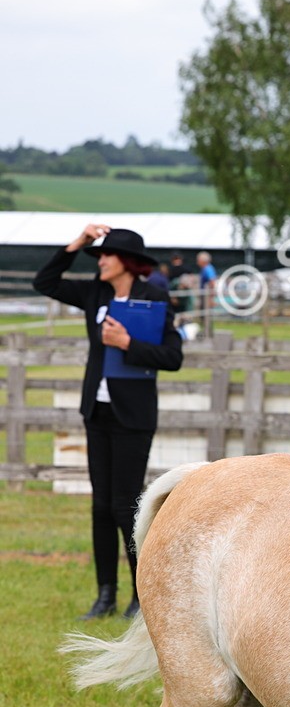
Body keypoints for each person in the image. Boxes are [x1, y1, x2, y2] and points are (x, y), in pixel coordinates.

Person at [33, 225, 183, 618]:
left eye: (105, 255)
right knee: (100, 507)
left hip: (133, 415)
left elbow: (173, 356)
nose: (99, 261)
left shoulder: (154, 297)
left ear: (126, 263)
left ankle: (139, 596)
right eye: (97, 255)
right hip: (96, 413)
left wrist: (128, 345)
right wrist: (76, 244)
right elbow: (44, 281)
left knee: (125, 507)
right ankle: (105, 595)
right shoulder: (95, 293)